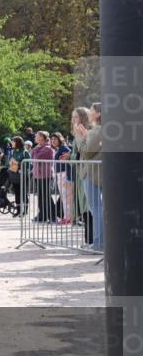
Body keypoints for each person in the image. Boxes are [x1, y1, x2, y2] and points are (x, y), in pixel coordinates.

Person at [74, 103, 103, 249]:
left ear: (98, 114)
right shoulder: (100, 131)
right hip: (96, 172)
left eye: (91, 110)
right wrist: (86, 136)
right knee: (98, 208)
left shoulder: (98, 130)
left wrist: (79, 137)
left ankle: (99, 244)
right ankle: (99, 243)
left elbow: (85, 152)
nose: (89, 112)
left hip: (92, 173)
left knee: (96, 208)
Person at [30, 130, 56, 223]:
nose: (35, 137)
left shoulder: (48, 148)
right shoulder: (38, 147)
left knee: (46, 196)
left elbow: (36, 157)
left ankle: (53, 216)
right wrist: (35, 151)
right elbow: (32, 157)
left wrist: (35, 151)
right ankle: (42, 215)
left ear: (41, 137)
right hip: (38, 175)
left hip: (46, 175)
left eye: (36, 136)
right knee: (40, 196)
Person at [52, 133, 72, 225]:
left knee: (66, 196)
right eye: (52, 139)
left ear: (60, 139)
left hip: (64, 174)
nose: (53, 141)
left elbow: (68, 159)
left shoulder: (64, 149)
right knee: (64, 197)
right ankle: (66, 217)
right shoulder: (59, 149)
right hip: (59, 174)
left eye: (55, 139)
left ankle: (68, 217)